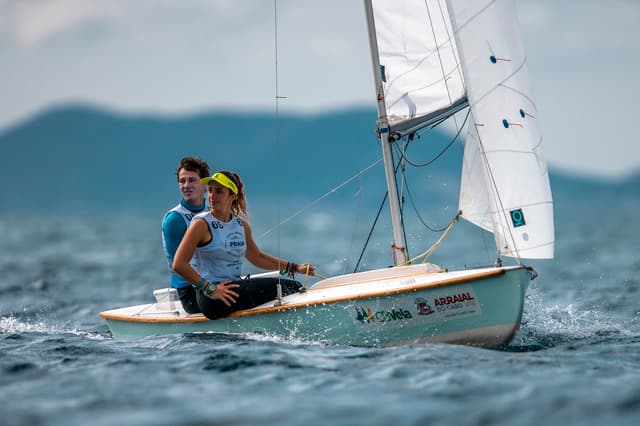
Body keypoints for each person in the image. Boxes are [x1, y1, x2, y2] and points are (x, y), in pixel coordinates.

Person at [173, 170, 316, 320]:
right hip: (212, 298)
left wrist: (294, 267)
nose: (212, 196)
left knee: (291, 286)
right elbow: (179, 264)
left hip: (233, 289)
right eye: (210, 191)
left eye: (219, 191)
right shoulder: (201, 224)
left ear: (232, 196)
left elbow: (257, 257)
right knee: (292, 288)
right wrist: (211, 289)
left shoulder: (241, 225)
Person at [161, 157, 210, 314]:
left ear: (205, 184)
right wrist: (212, 287)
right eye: (182, 181)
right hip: (190, 291)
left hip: (215, 281)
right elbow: (180, 266)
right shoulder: (175, 219)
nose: (186, 186)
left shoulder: (212, 211)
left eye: (192, 180)